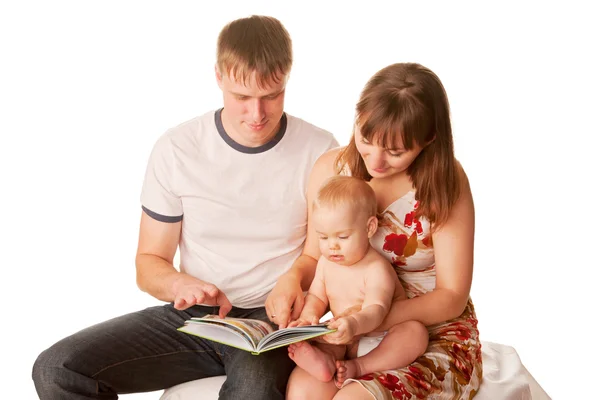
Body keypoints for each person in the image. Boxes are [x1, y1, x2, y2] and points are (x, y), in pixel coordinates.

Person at [32, 15, 338, 400]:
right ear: (219, 77)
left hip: (273, 323)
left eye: (272, 95)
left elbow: (327, 254)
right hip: (197, 320)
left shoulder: (321, 151)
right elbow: (148, 262)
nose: (257, 114)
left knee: (252, 391)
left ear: (288, 78)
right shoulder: (178, 149)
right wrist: (180, 284)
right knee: (56, 369)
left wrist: (294, 282)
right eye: (242, 97)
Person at [268, 62, 483, 399]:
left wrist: (370, 320)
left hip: (426, 330)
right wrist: (292, 280)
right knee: (303, 391)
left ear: (428, 139)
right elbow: (314, 255)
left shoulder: (444, 184)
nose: (377, 161)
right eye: (366, 139)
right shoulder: (331, 169)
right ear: (357, 118)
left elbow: (452, 296)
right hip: (348, 327)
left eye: (396, 151)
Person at [287, 175, 429, 388]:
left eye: (342, 237)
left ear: (370, 228)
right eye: (323, 237)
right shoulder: (326, 263)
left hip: (380, 337)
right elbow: (316, 296)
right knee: (327, 336)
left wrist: (353, 324)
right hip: (345, 336)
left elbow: (377, 309)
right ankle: (325, 363)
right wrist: (309, 318)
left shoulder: (376, 268)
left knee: (415, 333)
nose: (332, 246)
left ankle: (361, 366)